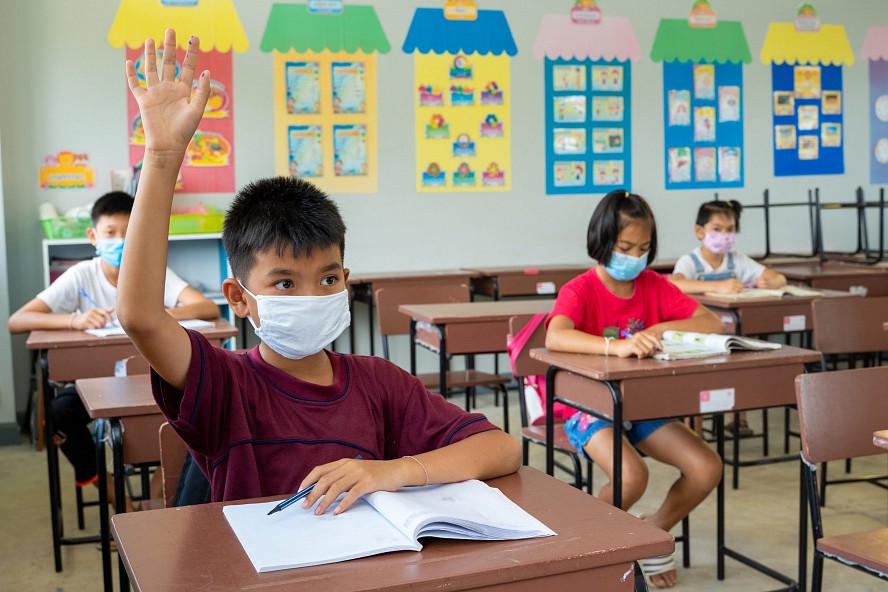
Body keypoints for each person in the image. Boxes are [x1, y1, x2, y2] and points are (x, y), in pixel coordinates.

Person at [117, 30, 521, 513]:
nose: (311, 295)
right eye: (285, 283)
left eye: (328, 279)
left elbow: (503, 448)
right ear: (239, 297)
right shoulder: (225, 385)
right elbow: (140, 316)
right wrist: (163, 157)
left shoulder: (380, 382)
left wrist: (393, 471)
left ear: (346, 283)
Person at [545, 189, 723, 589]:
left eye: (643, 248)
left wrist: (658, 329)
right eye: (625, 246)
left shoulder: (653, 285)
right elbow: (557, 337)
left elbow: (712, 323)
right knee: (633, 477)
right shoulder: (581, 289)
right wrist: (617, 345)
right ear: (603, 241)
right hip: (588, 407)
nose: (634, 256)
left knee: (706, 467)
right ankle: (584, 549)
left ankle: (653, 535)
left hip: (642, 407)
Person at [8, 191, 219, 498]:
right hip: (92, 381)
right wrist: (73, 321)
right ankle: (118, 504)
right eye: (110, 233)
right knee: (59, 413)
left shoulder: (152, 271)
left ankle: (155, 499)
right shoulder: (82, 274)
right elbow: (17, 321)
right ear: (93, 236)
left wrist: (154, 315)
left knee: (195, 409)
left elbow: (207, 309)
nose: (120, 241)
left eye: (129, 231)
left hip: (150, 379)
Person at [670, 199, 787, 437]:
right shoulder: (690, 261)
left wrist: (772, 281)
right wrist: (721, 285)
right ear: (699, 231)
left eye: (730, 229)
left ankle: (738, 419)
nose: (724, 235)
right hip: (699, 333)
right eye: (717, 229)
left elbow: (778, 277)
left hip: (731, 331)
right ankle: (695, 428)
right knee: (698, 375)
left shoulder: (738, 260)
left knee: (739, 369)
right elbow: (676, 284)